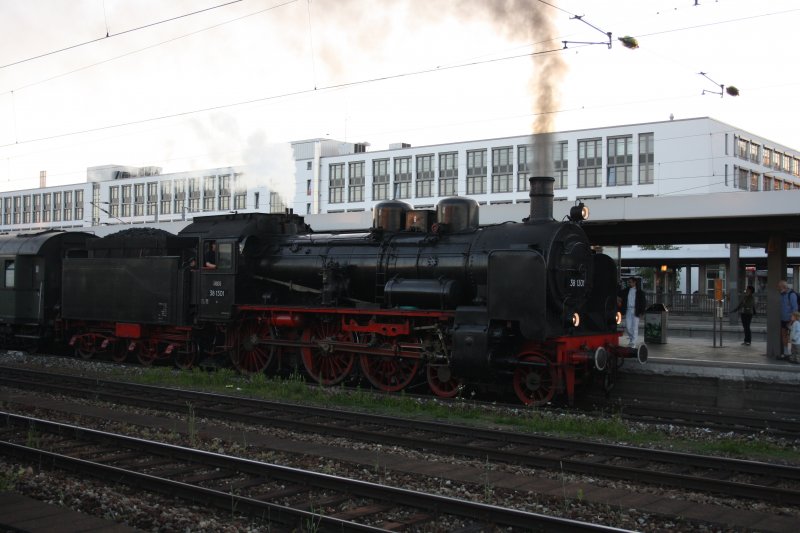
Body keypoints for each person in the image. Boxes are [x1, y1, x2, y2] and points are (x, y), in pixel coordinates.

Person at [619, 277, 647, 347]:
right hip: (628, 310)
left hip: (635, 310)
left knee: (635, 327)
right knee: (628, 327)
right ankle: (632, 339)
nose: (629, 283)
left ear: (634, 282)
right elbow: (619, 294)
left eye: (630, 282)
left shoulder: (640, 292)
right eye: (629, 282)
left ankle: (633, 342)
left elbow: (643, 303)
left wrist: (642, 312)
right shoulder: (626, 291)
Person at [778, 280, 798, 359]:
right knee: (784, 335)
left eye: (779, 288)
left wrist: (791, 321)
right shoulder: (781, 295)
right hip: (783, 319)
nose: (778, 289)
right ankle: (786, 352)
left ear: (784, 287)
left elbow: (795, 308)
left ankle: (794, 353)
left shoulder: (792, 295)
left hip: (791, 320)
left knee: (793, 336)